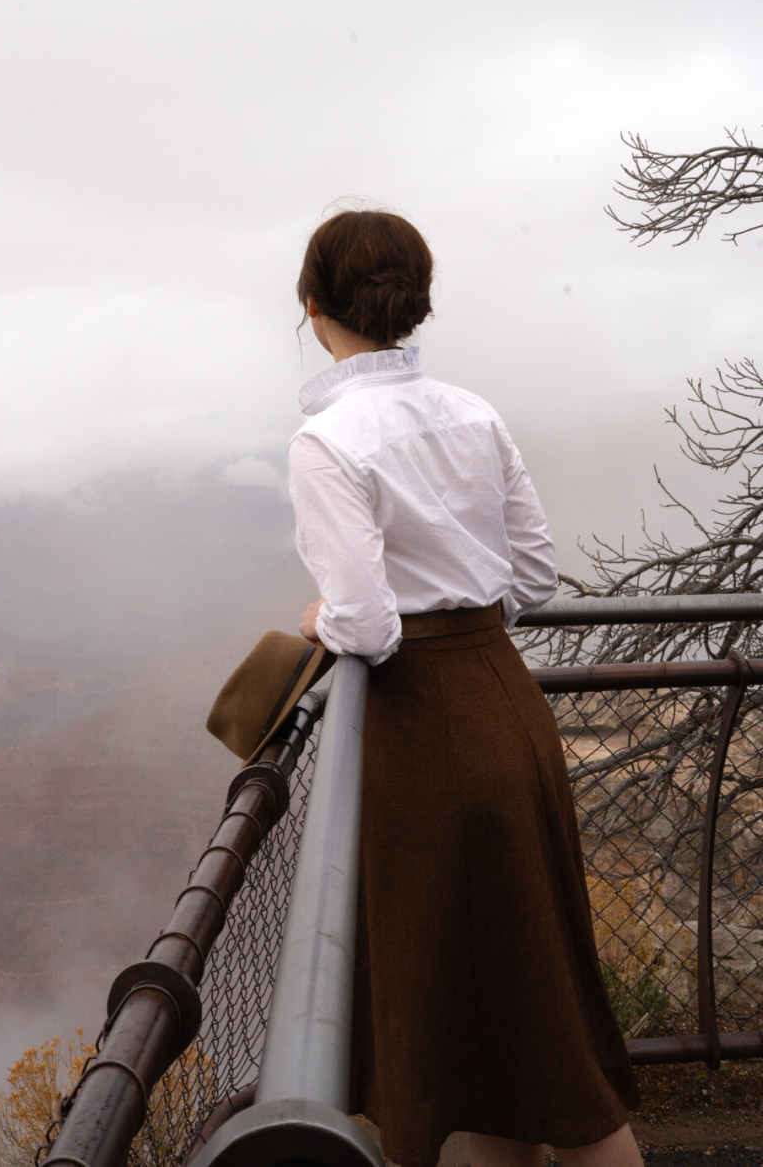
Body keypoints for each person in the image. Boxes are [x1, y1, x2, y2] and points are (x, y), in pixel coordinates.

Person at [289, 208, 641, 1167]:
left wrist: (322, 620)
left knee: (465, 1019)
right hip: (508, 707)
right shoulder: (474, 413)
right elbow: (533, 578)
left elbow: (366, 623)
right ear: (415, 301)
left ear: (312, 305)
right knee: (528, 1020)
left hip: (419, 735)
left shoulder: (327, 442)